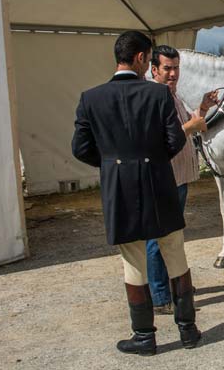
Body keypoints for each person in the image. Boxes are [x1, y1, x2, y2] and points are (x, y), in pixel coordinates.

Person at [71, 31, 201, 355]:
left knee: (133, 265)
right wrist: (152, 161)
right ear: (142, 58)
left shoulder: (91, 98)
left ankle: (144, 337)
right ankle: (188, 331)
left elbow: (80, 148)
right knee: (176, 257)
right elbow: (175, 141)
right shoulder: (158, 95)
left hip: (120, 190)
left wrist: (114, 166)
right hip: (160, 185)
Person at [145, 45, 217, 315]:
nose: (173, 73)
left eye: (176, 68)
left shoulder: (172, 96)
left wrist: (203, 108)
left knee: (172, 237)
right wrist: (192, 125)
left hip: (179, 178)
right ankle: (160, 297)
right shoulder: (153, 98)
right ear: (154, 70)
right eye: (167, 68)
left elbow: (191, 123)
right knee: (158, 238)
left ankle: (172, 287)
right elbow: (166, 136)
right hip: (165, 178)